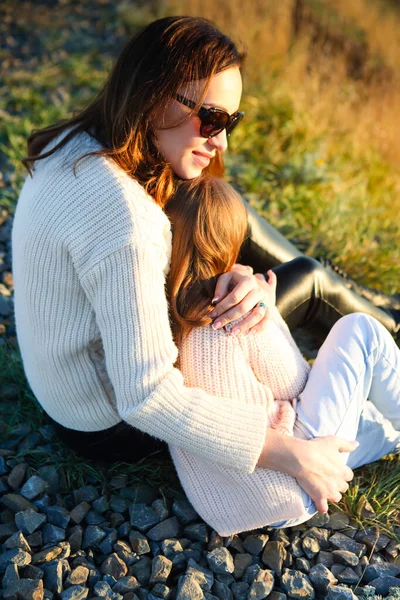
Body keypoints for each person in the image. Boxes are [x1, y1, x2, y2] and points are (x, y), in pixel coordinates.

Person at [11, 15, 398, 514]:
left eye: (229, 122)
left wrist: (234, 272)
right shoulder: (126, 222)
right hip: (107, 421)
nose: (222, 141)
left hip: (67, 387)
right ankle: (384, 341)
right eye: (211, 119)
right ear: (155, 96)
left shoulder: (77, 144)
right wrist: (292, 455)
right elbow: (146, 396)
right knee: (308, 281)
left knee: (219, 206)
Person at [165, 175, 400, 535]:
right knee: (361, 331)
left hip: (230, 502)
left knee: (375, 422)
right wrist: (267, 311)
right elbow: (294, 379)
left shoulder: (170, 314)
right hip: (292, 477)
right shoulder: (233, 313)